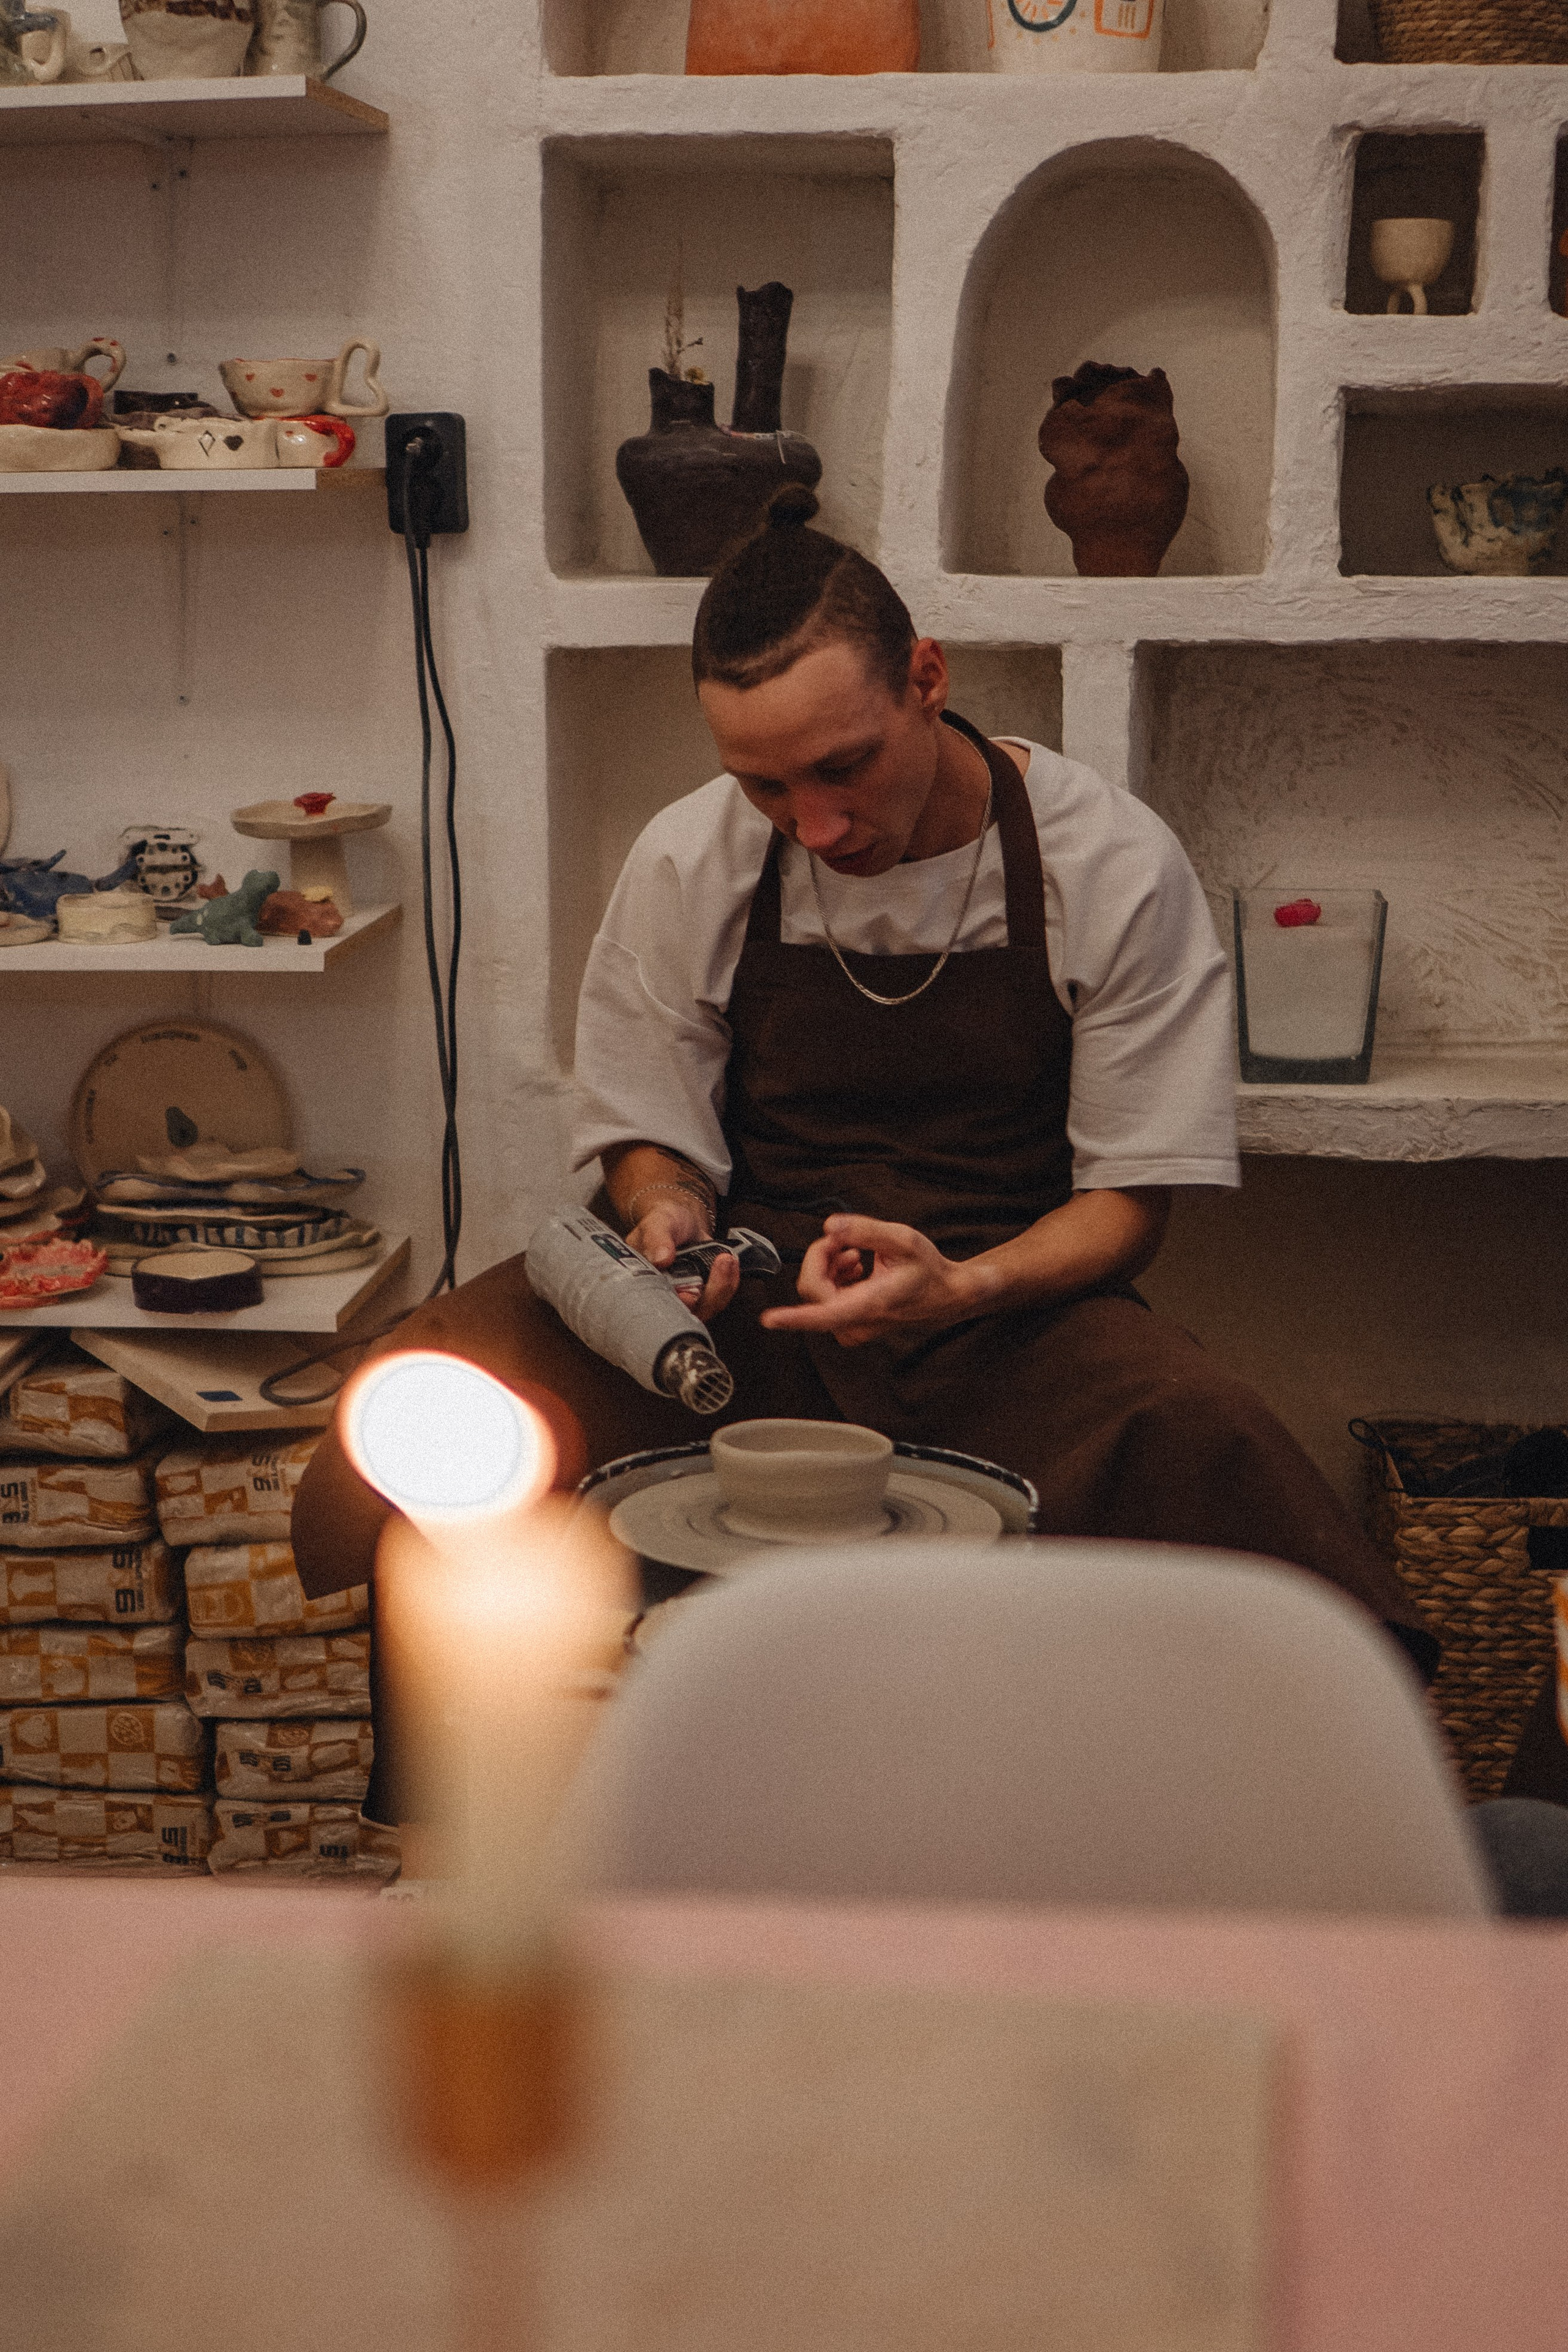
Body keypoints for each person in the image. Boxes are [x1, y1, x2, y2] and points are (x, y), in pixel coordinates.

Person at [292, 488, 1436, 1829]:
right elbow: (650, 1130)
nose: (812, 824)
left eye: (841, 767)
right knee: (439, 1383)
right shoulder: (694, 855)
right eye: (764, 784)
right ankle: (490, 1846)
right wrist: (666, 1217)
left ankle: (1260, 1847)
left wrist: (958, 1287)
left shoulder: (1102, 861)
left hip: (1007, 1302)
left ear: (925, 681)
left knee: (1209, 1445)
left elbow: (1128, 1202)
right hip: (753, 1300)